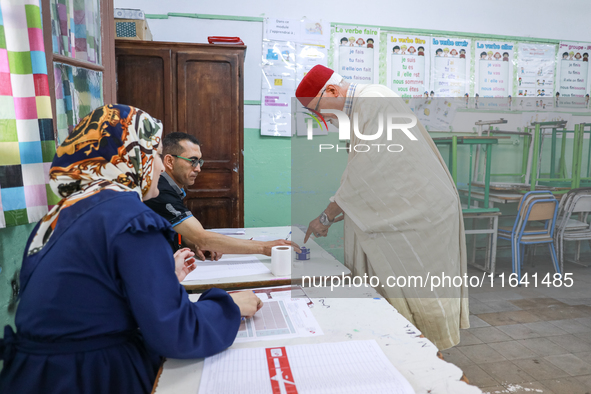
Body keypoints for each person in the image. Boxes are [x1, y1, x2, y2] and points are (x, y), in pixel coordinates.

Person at [0, 104, 262, 393]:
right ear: (130, 155)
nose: (161, 166)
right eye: (155, 153)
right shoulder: (130, 218)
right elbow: (175, 332)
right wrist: (229, 307)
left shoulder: (58, 215)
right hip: (94, 375)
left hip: (34, 375)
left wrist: (161, 276)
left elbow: (87, 298)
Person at [295, 65, 469, 350]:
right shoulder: (362, 107)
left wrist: (325, 217)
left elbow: (366, 173)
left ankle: (422, 355)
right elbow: (363, 173)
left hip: (423, 215)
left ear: (332, 91)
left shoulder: (374, 100)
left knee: (421, 289)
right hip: (408, 209)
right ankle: (398, 346)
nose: (321, 117)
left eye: (318, 109)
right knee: (393, 284)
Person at [144, 132, 298, 259]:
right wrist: (265, 247)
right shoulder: (159, 190)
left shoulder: (170, 188)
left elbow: (173, 228)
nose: (198, 169)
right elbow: (202, 237)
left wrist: (192, 243)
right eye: (192, 161)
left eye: (199, 162)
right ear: (169, 161)